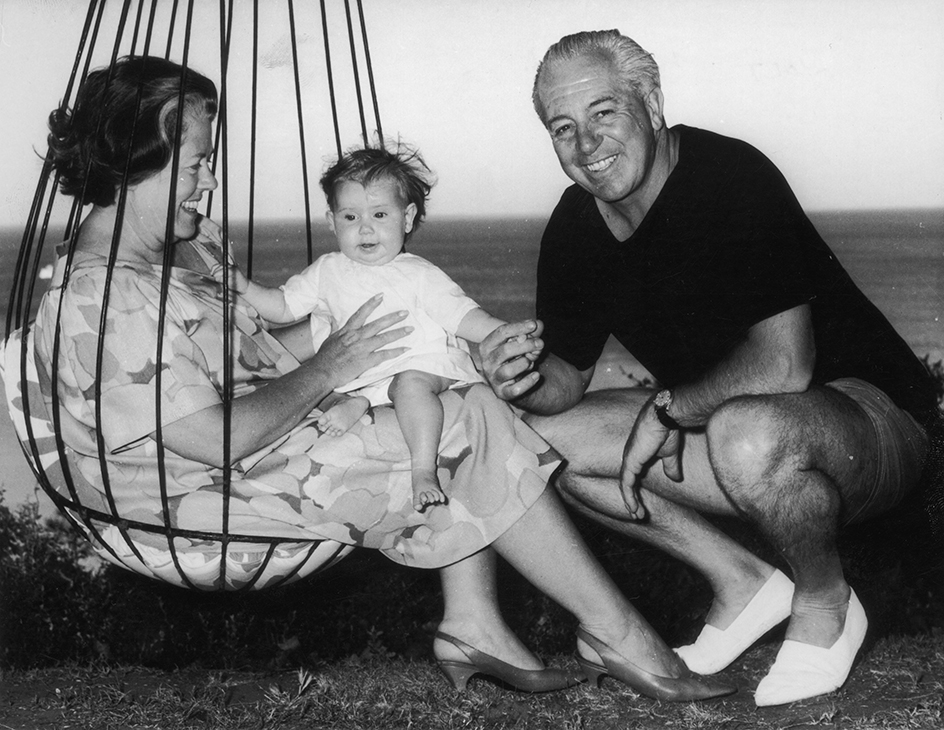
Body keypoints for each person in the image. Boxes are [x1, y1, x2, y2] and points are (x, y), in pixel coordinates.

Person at [34, 54, 735, 701]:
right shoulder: (106, 297)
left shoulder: (195, 247)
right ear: (135, 159)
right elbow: (213, 438)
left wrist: (375, 351)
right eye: (197, 164)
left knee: (460, 401)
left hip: (274, 439)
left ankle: (475, 624)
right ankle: (619, 635)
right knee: (470, 418)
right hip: (202, 492)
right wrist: (332, 367)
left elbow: (256, 345)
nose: (210, 181)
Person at [479, 30, 939, 707]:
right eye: (563, 127)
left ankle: (826, 602)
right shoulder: (577, 225)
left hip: (874, 422)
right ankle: (743, 584)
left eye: (604, 112)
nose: (587, 144)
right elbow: (566, 383)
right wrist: (514, 377)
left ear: (652, 101)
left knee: (746, 431)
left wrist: (665, 411)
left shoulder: (730, 177)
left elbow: (786, 363)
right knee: (536, 440)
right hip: (734, 432)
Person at [230, 144, 510, 512]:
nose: (365, 228)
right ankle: (359, 402)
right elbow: (283, 306)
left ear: (406, 219)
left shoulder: (418, 273)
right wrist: (245, 287)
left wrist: (499, 332)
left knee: (409, 387)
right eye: (350, 217)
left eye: (380, 214)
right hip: (362, 373)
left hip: (421, 365)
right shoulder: (327, 270)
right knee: (322, 385)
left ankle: (422, 471)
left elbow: (460, 315)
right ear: (332, 222)